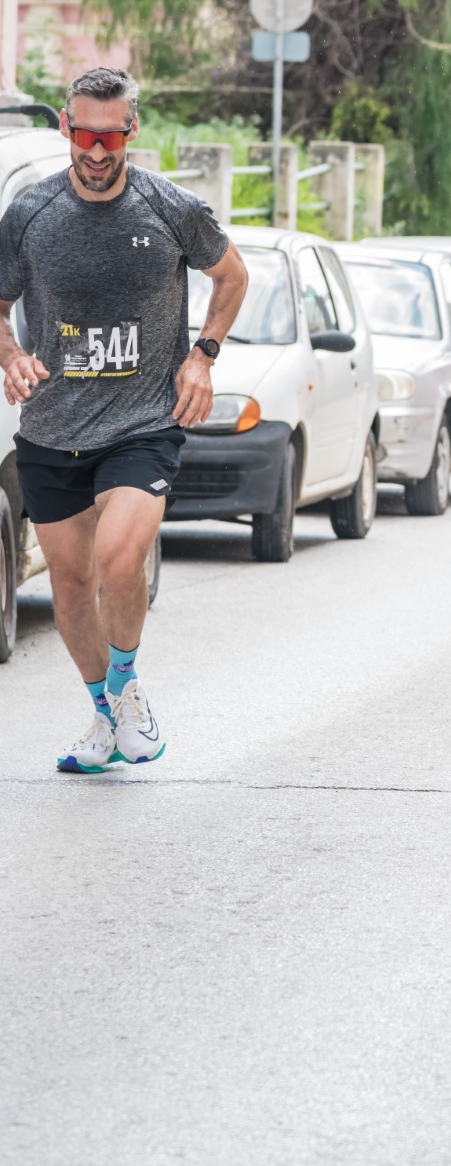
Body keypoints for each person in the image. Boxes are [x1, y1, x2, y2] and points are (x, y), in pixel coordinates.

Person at [0, 67, 248, 773]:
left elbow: (232, 276)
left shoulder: (172, 208)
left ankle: (127, 682)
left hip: (143, 423)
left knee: (117, 558)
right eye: (84, 135)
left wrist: (202, 357)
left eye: (111, 137)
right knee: (71, 585)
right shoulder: (29, 213)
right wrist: (11, 355)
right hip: (51, 427)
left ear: (132, 130)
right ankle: (105, 716)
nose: (96, 151)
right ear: (65, 128)